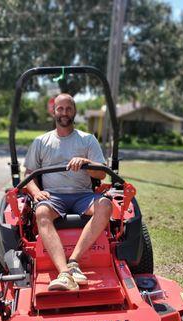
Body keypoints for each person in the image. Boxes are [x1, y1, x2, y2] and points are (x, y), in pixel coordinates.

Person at [24, 93, 112, 291]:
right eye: (60, 109)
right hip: (53, 196)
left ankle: (73, 262)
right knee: (41, 213)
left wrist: (86, 163)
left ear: (75, 112)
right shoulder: (41, 141)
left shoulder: (87, 140)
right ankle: (64, 273)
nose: (64, 113)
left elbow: (102, 174)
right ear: (54, 112)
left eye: (68, 109)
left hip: (83, 195)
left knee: (106, 205)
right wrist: (36, 192)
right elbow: (29, 174)